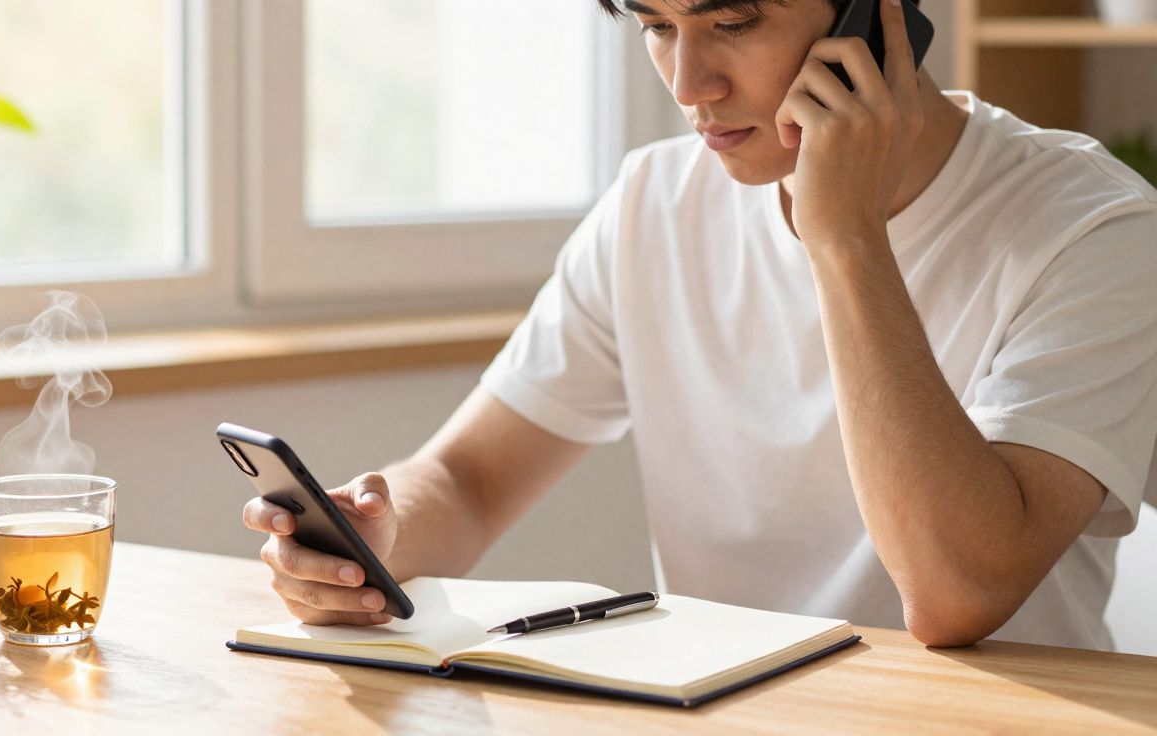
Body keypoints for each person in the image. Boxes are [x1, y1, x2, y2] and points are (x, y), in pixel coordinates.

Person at [243, 0, 1157, 649]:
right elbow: (472, 479)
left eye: (732, 22)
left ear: (875, 23)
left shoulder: (1094, 228)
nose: (690, 83)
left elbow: (958, 595)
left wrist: (842, 239)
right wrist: (374, 540)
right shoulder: (654, 200)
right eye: (655, 25)